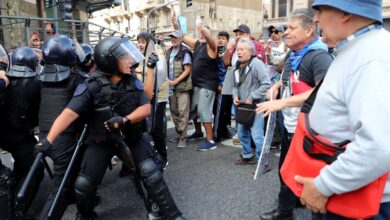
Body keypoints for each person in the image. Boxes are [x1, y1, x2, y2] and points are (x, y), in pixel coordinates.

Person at [35, 37, 186, 220]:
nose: (130, 60)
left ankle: (173, 214)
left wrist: (125, 119)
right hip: (101, 141)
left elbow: (146, 108)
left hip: (132, 136)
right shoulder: (91, 84)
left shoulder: (132, 81)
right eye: (124, 57)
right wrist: (48, 140)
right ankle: (86, 214)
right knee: (83, 184)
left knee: (150, 172)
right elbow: (68, 114)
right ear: (109, 60)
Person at [283, 1, 390, 219]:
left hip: (359, 200)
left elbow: (379, 146)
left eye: (320, 11)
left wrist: (323, 185)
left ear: (345, 13)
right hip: (350, 190)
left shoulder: (372, 59)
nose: (315, 19)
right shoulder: (362, 50)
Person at [37, 35, 88, 220]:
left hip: (44, 136)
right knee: (60, 189)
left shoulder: (40, 79)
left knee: (69, 174)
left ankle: (80, 200)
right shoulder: (76, 79)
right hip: (64, 139)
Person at [0, 46, 43, 219]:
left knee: (24, 162)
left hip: (6, 134)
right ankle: (16, 210)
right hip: (18, 135)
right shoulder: (35, 83)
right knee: (34, 166)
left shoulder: (6, 79)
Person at [172, 14, 219, 151]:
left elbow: (211, 40)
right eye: (200, 33)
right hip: (197, 84)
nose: (202, 34)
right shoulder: (198, 44)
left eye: (204, 33)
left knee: (204, 112)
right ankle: (198, 132)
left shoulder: (212, 47)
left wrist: (205, 31)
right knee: (193, 111)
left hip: (207, 85)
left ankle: (210, 140)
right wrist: (176, 24)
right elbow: (182, 36)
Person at [233, 38, 270, 165]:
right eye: (238, 50)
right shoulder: (237, 64)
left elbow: (266, 84)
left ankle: (263, 162)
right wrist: (235, 96)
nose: (239, 52)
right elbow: (234, 85)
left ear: (250, 51)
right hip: (242, 106)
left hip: (255, 106)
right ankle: (247, 155)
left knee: (257, 136)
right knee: (241, 132)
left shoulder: (256, 63)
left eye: (242, 50)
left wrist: (252, 96)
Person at [136, 32, 169, 165]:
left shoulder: (157, 55)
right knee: (148, 127)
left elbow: (158, 75)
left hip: (158, 96)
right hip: (146, 96)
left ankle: (163, 157)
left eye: (143, 42)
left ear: (150, 43)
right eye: (139, 41)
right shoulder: (139, 56)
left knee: (156, 127)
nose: (140, 44)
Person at [166, 30, 192, 148]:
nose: (173, 39)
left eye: (175, 37)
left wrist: (175, 81)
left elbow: (187, 70)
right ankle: (178, 134)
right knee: (174, 111)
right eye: (172, 37)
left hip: (182, 87)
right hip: (171, 87)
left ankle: (183, 137)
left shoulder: (185, 52)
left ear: (181, 39)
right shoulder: (168, 52)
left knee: (183, 112)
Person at [213, 31, 232, 142]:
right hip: (216, 84)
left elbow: (226, 64)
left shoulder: (228, 51)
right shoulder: (214, 49)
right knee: (218, 110)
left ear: (227, 41)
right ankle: (223, 131)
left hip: (224, 85)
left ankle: (217, 134)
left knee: (221, 111)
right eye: (219, 38)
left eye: (223, 38)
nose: (220, 40)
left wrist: (222, 85)